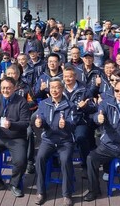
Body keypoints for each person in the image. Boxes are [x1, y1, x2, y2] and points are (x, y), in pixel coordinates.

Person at [34, 78, 80, 206]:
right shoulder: (44, 103)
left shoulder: (70, 105)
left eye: (57, 87)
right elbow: (41, 118)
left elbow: (73, 124)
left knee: (65, 161)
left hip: (65, 141)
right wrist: (39, 123)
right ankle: (41, 192)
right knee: (40, 158)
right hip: (48, 139)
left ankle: (67, 194)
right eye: (52, 87)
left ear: (62, 89)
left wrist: (66, 125)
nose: (54, 90)